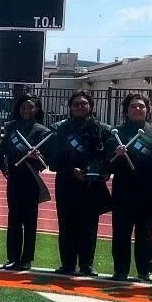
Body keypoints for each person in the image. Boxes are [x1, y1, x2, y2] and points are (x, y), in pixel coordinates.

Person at [108, 94, 152, 281]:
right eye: (133, 106)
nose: (138, 109)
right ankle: (120, 270)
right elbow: (108, 165)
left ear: (147, 110)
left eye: (141, 106)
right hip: (123, 189)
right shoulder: (116, 132)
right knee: (121, 232)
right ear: (126, 110)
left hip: (148, 190)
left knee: (145, 233)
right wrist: (116, 155)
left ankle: (145, 270)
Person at [49, 90, 107, 276]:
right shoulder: (60, 128)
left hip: (91, 184)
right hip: (67, 182)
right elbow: (54, 159)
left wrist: (100, 171)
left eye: (84, 103)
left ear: (90, 106)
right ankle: (67, 263)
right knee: (67, 224)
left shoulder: (102, 129)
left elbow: (106, 157)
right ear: (70, 108)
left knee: (89, 226)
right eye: (76, 104)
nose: (80, 107)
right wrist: (71, 169)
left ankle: (86, 264)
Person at [0, 92, 53, 271]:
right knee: (13, 219)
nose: (26, 110)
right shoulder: (12, 127)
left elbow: (45, 162)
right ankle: (12, 257)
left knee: (30, 220)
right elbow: (2, 151)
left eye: (31, 107)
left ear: (37, 109)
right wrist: (4, 168)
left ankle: (26, 258)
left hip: (31, 179)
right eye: (23, 107)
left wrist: (38, 157)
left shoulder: (42, 131)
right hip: (14, 178)